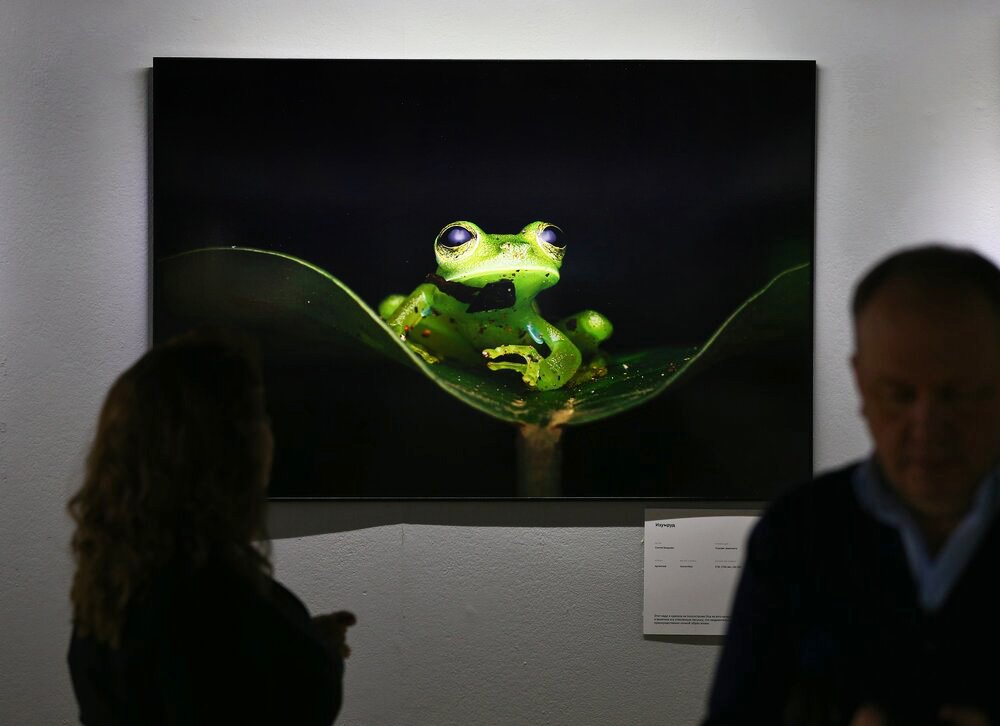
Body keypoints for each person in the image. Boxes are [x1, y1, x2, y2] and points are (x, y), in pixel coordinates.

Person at [704, 245, 1000, 726]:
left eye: (958, 394)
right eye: (899, 395)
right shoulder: (796, 533)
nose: (926, 425)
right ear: (861, 385)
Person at [67, 329, 355, 725]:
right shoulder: (213, 609)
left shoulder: (113, 593)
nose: (269, 435)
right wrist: (307, 654)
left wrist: (301, 640)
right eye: (259, 416)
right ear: (227, 450)